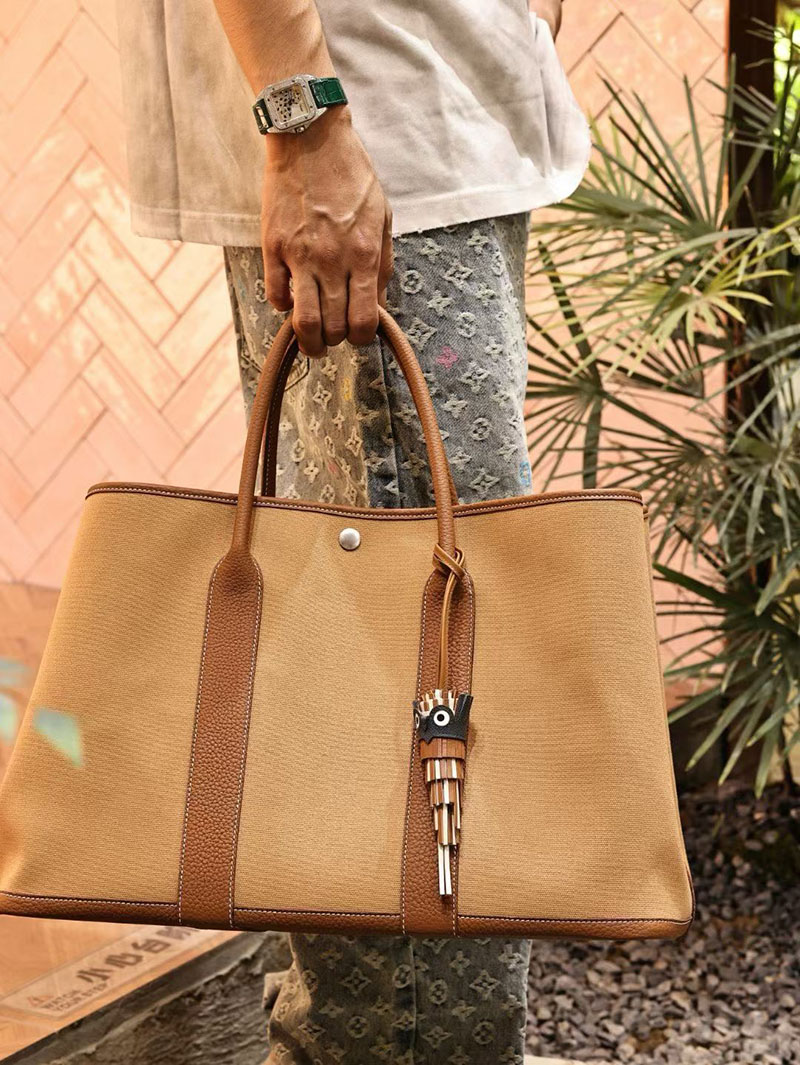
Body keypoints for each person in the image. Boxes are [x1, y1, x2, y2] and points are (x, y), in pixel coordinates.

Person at [117, 1, 589, 1061]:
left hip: (413, 117)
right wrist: (306, 121)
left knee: (399, 641)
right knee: (420, 665)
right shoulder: (331, 132)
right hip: (365, 130)